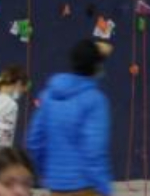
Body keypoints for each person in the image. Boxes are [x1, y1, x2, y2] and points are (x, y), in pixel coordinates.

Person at [26, 40, 114, 196]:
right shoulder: (95, 100)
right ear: (97, 66)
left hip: (55, 188)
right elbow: (93, 151)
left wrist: (47, 173)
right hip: (86, 188)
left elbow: (34, 141)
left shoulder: (48, 97)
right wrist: (105, 190)